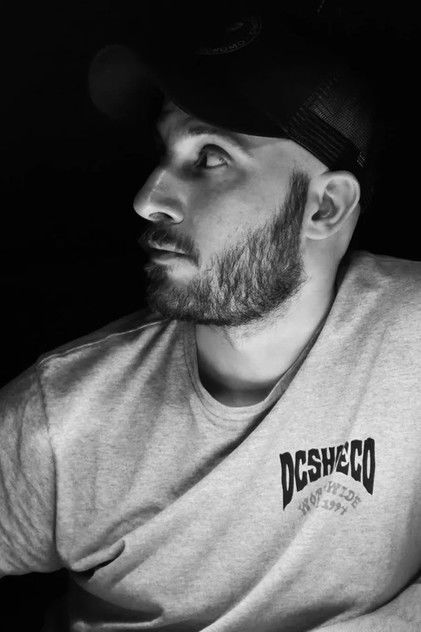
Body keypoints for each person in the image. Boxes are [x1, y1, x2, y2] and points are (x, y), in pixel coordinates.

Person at [1, 5, 420, 631]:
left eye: (211, 158)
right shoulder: (60, 420)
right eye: (163, 154)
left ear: (326, 207)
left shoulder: (411, 337)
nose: (148, 199)